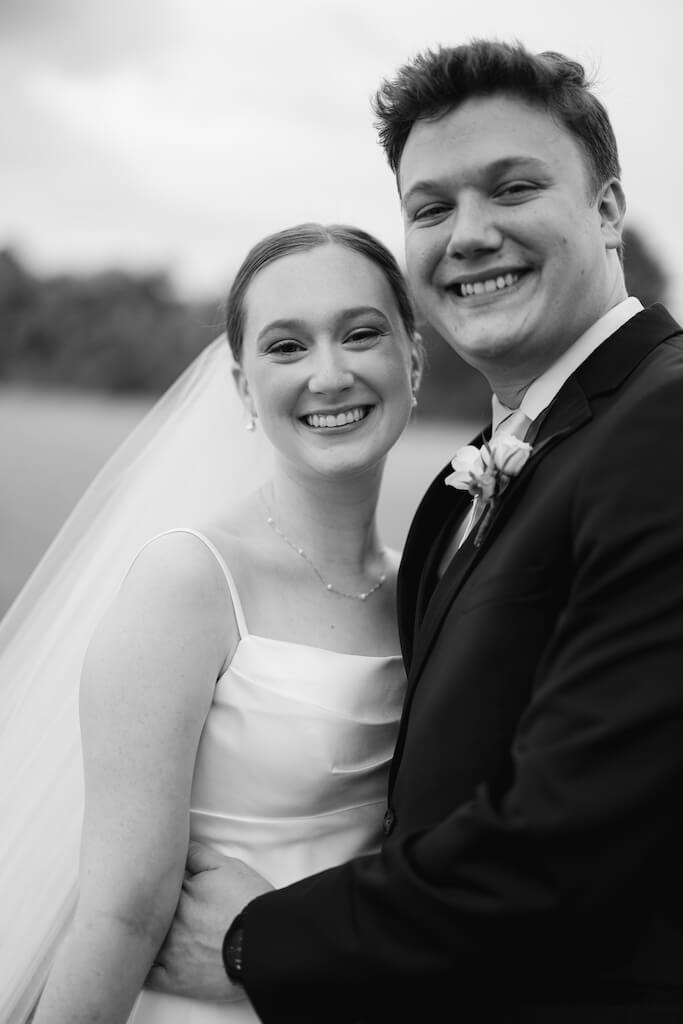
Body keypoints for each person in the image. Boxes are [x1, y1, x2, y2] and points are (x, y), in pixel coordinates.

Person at [147, 39, 683, 1022]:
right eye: (429, 206)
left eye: (511, 186)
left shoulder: (664, 426)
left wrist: (250, 941)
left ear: (608, 209)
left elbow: (565, 845)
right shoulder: (479, 474)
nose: (466, 233)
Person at [4, 223, 424, 1024]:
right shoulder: (188, 581)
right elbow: (122, 910)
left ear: (413, 357)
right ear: (241, 387)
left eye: (361, 334)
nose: (328, 374)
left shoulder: (427, 583)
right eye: (286, 347)